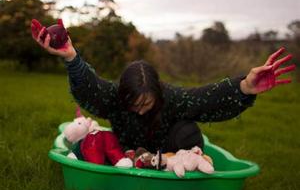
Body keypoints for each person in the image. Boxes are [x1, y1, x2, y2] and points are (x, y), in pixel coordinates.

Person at [31, 20, 296, 153]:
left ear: (158, 95)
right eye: (134, 104)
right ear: (124, 96)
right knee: (93, 142)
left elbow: (207, 98)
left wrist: (245, 87)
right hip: (126, 155)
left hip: (167, 156)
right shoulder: (113, 97)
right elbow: (90, 89)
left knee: (189, 132)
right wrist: (71, 58)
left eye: (146, 103)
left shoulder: (172, 97)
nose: (141, 110)